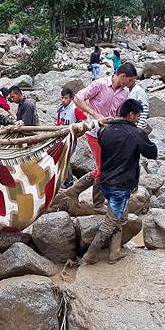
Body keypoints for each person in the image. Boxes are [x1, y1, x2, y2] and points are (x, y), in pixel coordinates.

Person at [82, 99, 158, 264]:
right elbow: (152, 153)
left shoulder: (105, 131)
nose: (138, 119)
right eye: (137, 116)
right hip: (121, 185)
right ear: (131, 114)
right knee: (111, 221)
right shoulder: (136, 134)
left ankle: (114, 252)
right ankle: (89, 255)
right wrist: (144, 134)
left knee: (120, 217)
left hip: (106, 181)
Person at [62, 63, 147, 211]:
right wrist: (96, 116)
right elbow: (78, 98)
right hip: (94, 132)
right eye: (131, 80)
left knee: (105, 167)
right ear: (123, 76)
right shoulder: (100, 84)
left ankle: (79, 194)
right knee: (103, 168)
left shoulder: (125, 92)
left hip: (110, 135)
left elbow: (120, 113)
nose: (132, 84)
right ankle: (92, 201)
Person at [56, 88, 87, 188]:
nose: (63, 100)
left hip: (71, 139)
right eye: (62, 98)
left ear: (71, 98)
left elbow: (84, 122)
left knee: (66, 159)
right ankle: (64, 179)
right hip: (61, 139)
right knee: (62, 158)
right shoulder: (61, 109)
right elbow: (59, 122)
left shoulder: (75, 109)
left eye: (66, 98)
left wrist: (77, 135)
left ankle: (68, 181)